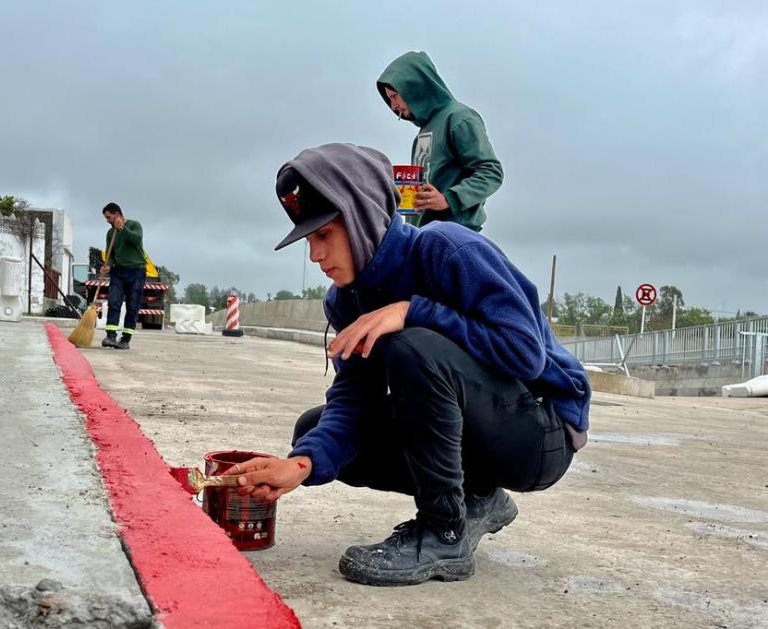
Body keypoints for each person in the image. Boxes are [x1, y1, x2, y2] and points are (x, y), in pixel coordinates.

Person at [233, 143, 589, 587]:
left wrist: (412, 310)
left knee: (412, 347)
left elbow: (525, 353)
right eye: (309, 240)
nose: (315, 256)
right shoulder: (347, 299)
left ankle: (444, 533)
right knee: (313, 432)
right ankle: (478, 498)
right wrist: (302, 465)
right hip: (476, 439)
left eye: (324, 235)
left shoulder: (448, 248)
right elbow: (355, 399)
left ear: (362, 217)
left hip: (539, 435)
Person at [378, 51, 503, 230]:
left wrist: (448, 199)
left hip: (455, 236)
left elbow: (491, 172)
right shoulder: (424, 131)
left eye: (394, 96)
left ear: (412, 86)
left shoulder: (459, 118)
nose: (393, 106)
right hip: (424, 236)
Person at [99, 202, 145, 350]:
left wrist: (122, 229)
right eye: (106, 218)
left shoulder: (134, 225)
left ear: (117, 214)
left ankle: (125, 339)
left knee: (132, 306)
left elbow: (136, 240)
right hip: (118, 272)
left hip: (137, 271)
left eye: (109, 217)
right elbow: (110, 253)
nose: (107, 221)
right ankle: (110, 336)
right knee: (114, 301)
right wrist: (107, 265)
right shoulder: (110, 233)